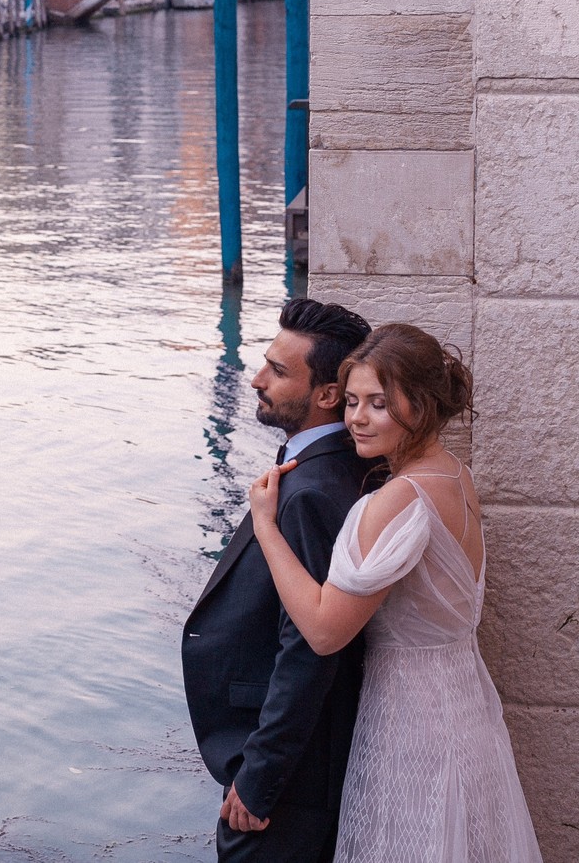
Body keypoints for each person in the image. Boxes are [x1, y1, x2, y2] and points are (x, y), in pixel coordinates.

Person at [248, 324, 543, 863]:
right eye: (352, 401)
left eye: (379, 403)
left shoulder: (397, 499)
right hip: (466, 708)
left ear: (423, 405)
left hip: (411, 724)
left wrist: (266, 525)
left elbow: (324, 632)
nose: (357, 418)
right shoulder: (454, 476)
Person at [183, 298, 376, 862]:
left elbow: (309, 649)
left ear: (328, 395)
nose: (256, 380)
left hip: (288, 776)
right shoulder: (327, 468)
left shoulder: (312, 493)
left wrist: (258, 776)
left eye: (278, 371)